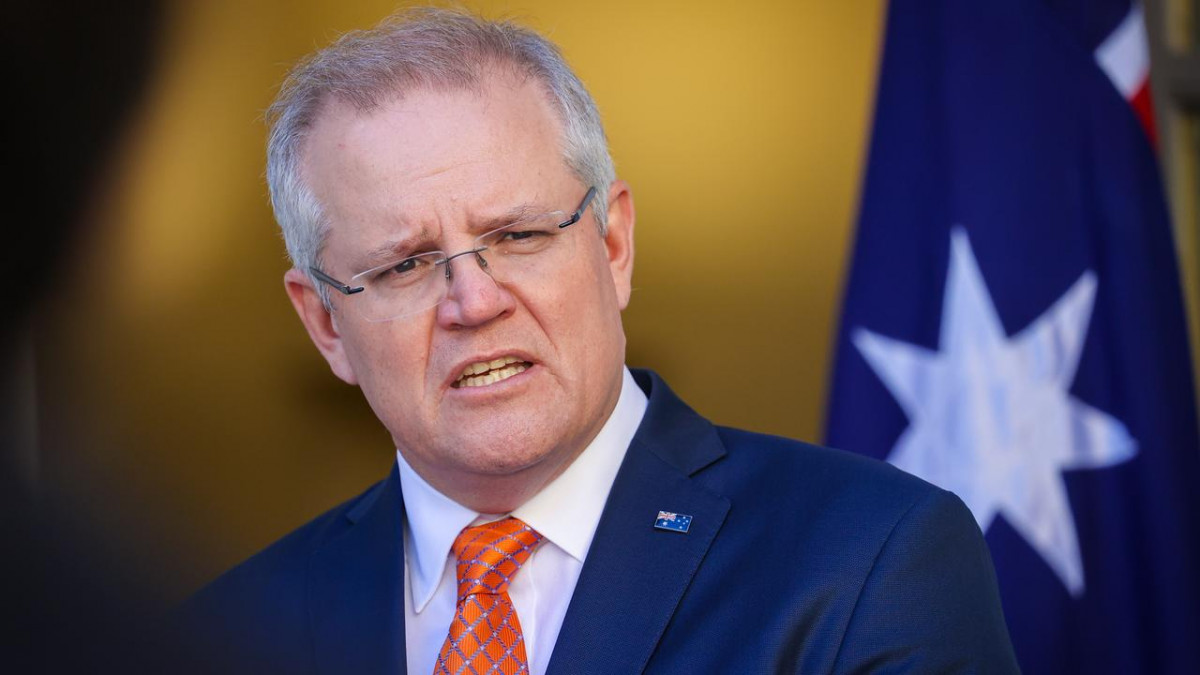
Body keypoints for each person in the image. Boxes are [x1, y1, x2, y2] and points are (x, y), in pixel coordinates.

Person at [181, 8, 1019, 674]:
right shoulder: (218, 636)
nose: (474, 301)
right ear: (326, 323)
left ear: (613, 245)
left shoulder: (871, 561)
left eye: (518, 235)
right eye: (406, 265)